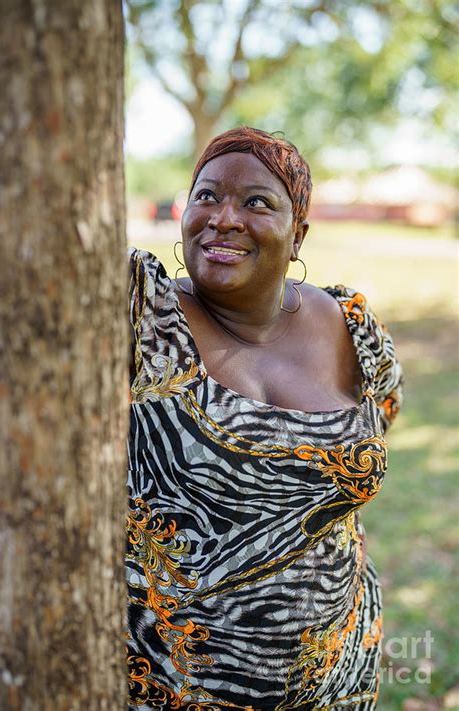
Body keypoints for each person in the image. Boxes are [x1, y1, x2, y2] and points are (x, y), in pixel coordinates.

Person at [126, 127, 403, 710]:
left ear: (298, 233)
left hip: (338, 675)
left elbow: (383, 417)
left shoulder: (349, 326)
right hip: (174, 684)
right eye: (206, 196)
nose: (223, 218)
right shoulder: (145, 317)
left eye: (257, 202)